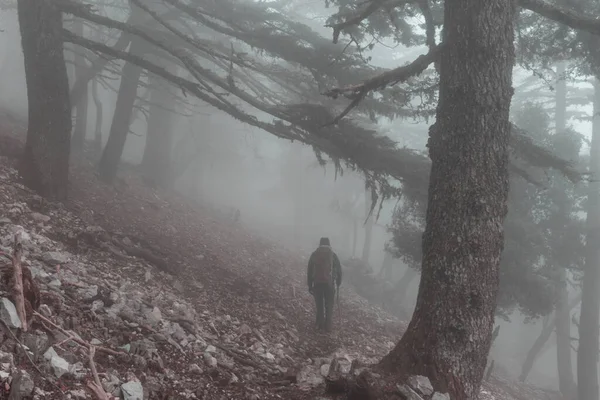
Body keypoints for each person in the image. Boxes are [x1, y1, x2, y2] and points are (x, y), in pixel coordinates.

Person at [307, 237, 342, 332]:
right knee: (329, 305)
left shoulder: (315, 254)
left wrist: (310, 285)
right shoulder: (333, 255)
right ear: (329, 244)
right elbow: (339, 270)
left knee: (319, 305)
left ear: (320, 244)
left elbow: (310, 271)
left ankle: (320, 324)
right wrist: (338, 283)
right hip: (329, 284)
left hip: (317, 284)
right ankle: (328, 326)